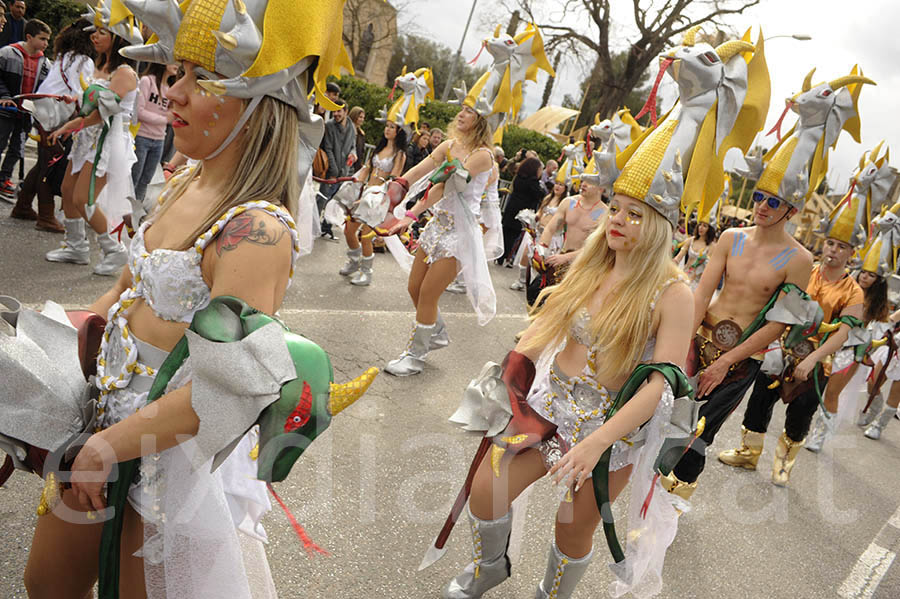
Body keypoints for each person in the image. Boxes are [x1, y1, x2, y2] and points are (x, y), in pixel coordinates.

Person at [14, 2, 369, 597]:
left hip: (165, 459)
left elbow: (224, 388)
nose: (170, 93)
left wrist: (112, 445)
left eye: (197, 79)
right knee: (46, 585)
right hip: (97, 422)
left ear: (258, 107)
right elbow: (129, 287)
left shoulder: (258, 231)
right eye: (174, 73)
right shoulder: (185, 179)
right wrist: (55, 351)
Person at [667, 66, 874, 496]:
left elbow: (779, 324)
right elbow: (703, 290)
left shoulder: (798, 260)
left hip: (743, 359)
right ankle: (654, 494)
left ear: (791, 210)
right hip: (699, 338)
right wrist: (685, 341)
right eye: (759, 196)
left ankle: (672, 504)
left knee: (700, 434)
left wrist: (727, 361)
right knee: (668, 419)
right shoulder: (730, 237)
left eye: (772, 201)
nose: (761, 205)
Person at [382, 98, 497, 377]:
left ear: (481, 120)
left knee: (428, 293)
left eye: (469, 111)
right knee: (414, 287)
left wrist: (410, 216)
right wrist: (399, 185)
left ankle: (415, 357)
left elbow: (445, 185)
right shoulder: (449, 146)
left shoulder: (483, 156)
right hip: (437, 225)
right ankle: (437, 332)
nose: (461, 113)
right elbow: (422, 170)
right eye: (463, 108)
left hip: (460, 233)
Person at [42, 15, 139, 277]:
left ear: (118, 38)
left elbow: (103, 114)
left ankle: (115, 250)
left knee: (84, 199)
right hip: (87, 137)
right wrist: (73, 101)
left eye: (102, 33)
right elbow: (89, 102)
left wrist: (68, 126)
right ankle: (76, 247)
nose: (94, 36)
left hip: (108, 140)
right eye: (94, 31)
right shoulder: (99, 66)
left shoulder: (125, 74)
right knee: (67, 188)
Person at [9, 17, 93, 232]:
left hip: (44, 112)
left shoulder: (65, 56)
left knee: (43, 163)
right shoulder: (84, 61)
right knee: (50, 164)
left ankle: (23, 205)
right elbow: (82, 95)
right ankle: (45, 216)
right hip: (57, 117)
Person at [338, 118, 406, 285]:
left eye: (392, 127)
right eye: (387, 126)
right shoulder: (380, 148)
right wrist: (356, 183)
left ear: (399, 132)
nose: (387, 129)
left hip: (379, 198)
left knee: (366, 235)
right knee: (348, 230)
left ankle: (366, 273)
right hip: (364, 194)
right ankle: (354, 262)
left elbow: (394, 179)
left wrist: (380, 196)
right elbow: (366, 169)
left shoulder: (399, 154)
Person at [0, 18, 49, 200]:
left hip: (26, 114)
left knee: (17, 149)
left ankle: (4, 178)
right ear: (29, 37)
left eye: (47, 40)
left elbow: (45, 89)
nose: (45, 44)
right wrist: (5, 96)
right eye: (42, 39)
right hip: (6, 110)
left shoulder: (45, 63)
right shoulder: (7, 53)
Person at [130, 62, 176, 204]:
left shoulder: (169, 88)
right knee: (134, 177)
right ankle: (124, 211)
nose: (176, 65)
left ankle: (135, 209)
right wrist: (164, 119)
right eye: (172, 61)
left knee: (146, 179)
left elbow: (172, 114)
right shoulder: (147, 81)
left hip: (159, 140)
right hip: (142, 137)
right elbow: (139, 111)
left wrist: (167, 118)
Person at [509, 180, 567, 291]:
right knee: (526, 255)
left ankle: (539, 285)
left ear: (565, 188)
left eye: (561, 184)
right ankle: (521, 281)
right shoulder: (548, 198)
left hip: (553, 237)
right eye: (557, 183)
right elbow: (539, 212)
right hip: (538, 232)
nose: (557, 186)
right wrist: (530, 218)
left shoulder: (565, 203)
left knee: (544, 262)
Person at [318, 98, 356, 239]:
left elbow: (353, 146)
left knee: (334, 203)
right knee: (322, 199)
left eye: (339, 111)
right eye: (334, 111)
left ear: (346, 112)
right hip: (331, 171)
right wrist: (333, 172)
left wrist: (354, 154)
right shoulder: (329, 126)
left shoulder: (352, 127)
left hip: (344, 172)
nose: (336, 114)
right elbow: (327, 148)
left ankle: (326, 228)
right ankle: (313, 227)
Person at [498, 156, 543, 265]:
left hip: (512, 207)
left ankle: (500, 255)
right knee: (514, 235)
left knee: (506, 232)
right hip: (522, 212)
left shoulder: (519, 177)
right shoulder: (533, 182)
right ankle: (507, 257)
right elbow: (539, 195)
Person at [674, 220, 716, 288]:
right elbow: (679, 256)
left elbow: (704, 266)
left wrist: (690, 279)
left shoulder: (712, 247)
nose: (701, 227)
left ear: (710, 229)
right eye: (700, 225)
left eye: (704, 226)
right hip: (684, 274)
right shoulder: (690, 240)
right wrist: (673, 263)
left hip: (697, 282)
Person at [348, 105, 366, 171]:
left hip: (355, 166)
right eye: (360, 117)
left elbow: (361, 152)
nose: (362, 119)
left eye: (363, 118)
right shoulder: (347, 130)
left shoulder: (361, 134)